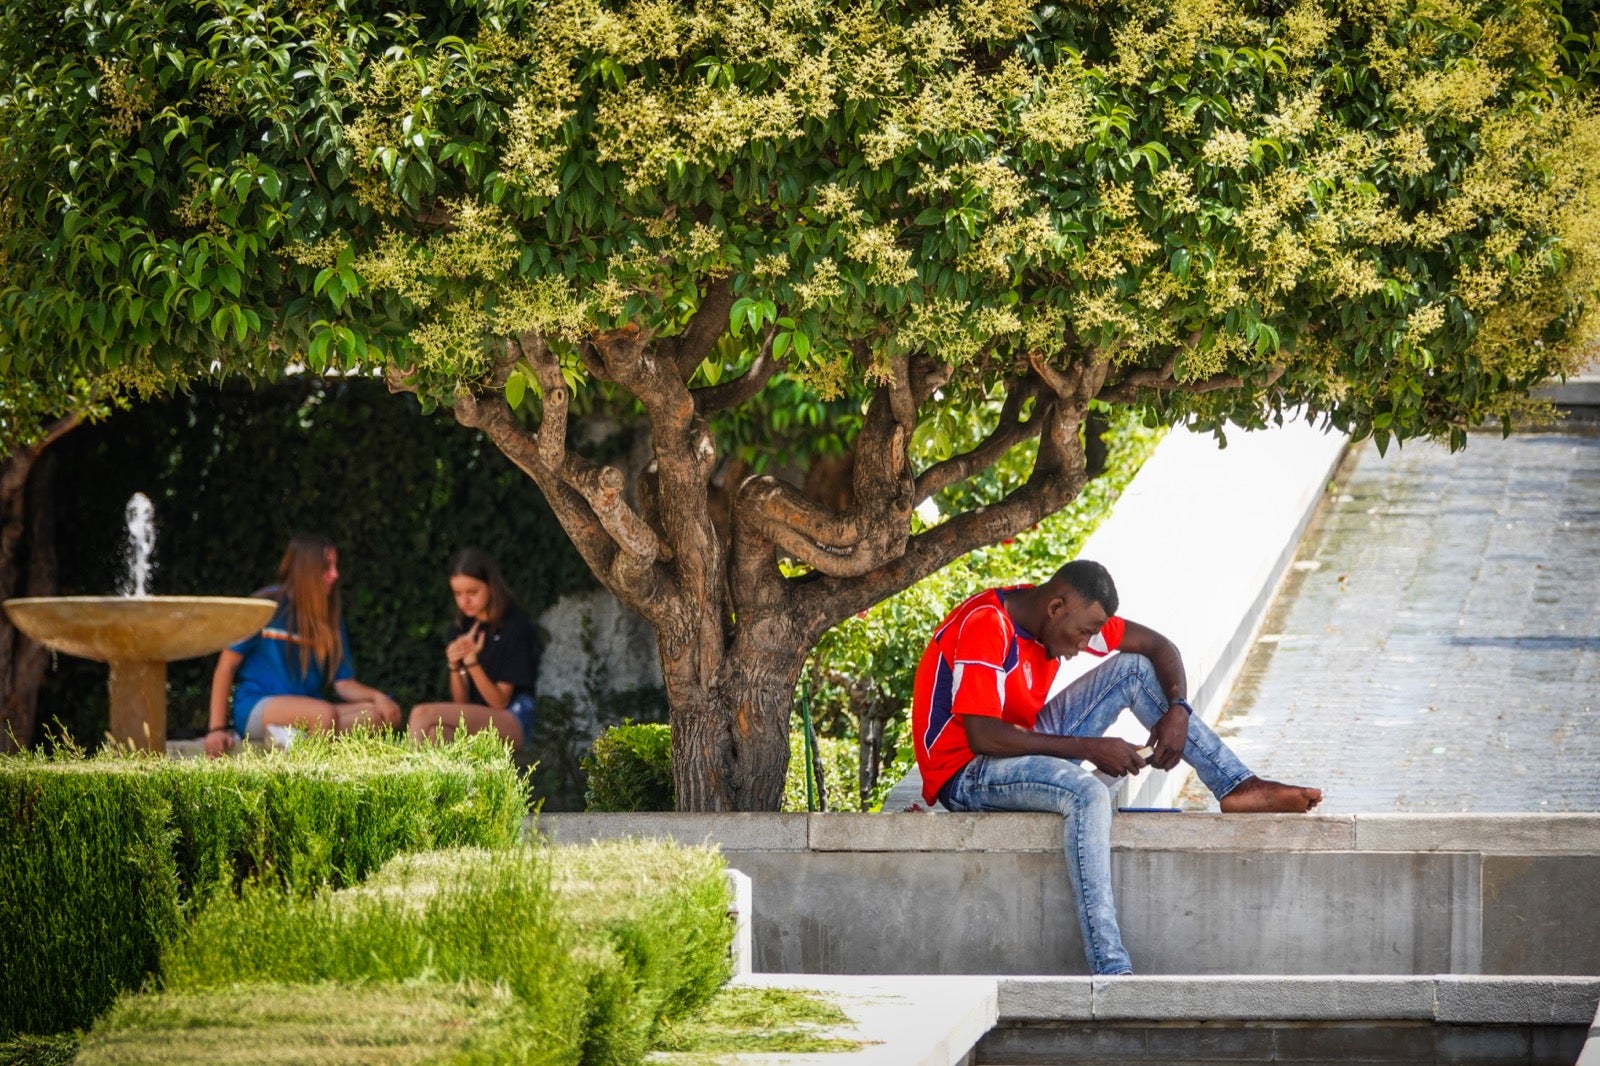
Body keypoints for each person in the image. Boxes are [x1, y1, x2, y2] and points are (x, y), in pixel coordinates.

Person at [911, 558, 1321, 976]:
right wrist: (1091, 747)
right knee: (1086, 793)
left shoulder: (1059, 616)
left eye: (1092, 633)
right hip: (968, 772)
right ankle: (1109, 967)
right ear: (1056, 608)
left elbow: (1159, 648)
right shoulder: (989, 625)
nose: (1084, 645)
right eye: (1084, 633)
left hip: (1017, 744)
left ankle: (1237, 785)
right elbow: (984, 736)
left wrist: (1178, 709)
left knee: (1134, 671)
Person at [205, 533, 401, 756]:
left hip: (311, 712)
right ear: (307, 569)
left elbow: (344, 683)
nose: (335, 575)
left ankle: (291, 738)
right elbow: (226, 666)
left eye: (336, 566)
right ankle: (303, 758)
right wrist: (216, 729)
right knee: (324, 716)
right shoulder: (265, 605)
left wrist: (379, 698)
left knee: (375, 717)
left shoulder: (329, 618)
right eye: (327, 567)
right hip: (258, 706)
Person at [407, 548, 540, 749]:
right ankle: (425, 780)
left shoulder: (515, 625)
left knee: (422, 713)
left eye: (472, 592)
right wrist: (454, 665)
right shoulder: (462, 626)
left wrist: (472, 662)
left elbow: (500, 702)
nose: (464, 601)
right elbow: (461, 702)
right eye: (458, 594)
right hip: (477, 715)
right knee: (437, 734)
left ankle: (401, 778)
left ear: (491, 587)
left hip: (514, 716)